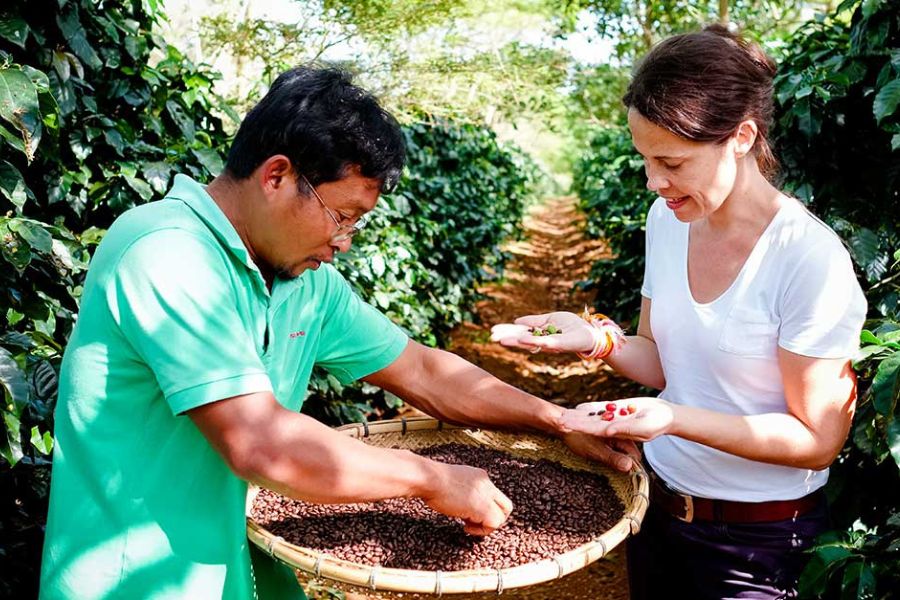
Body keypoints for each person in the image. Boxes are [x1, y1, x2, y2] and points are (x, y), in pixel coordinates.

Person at [38, 66, 634, 600]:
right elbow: (261, 444)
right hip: (137, 580)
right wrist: (429, 478)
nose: (344, 241)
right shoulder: (166, 253)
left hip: (248, 567)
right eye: (342, 215)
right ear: (277, 176)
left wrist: (557, 422)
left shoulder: (303, 282)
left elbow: (423, 372)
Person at [491, 25, 866, 599]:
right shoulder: (668, 220)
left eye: (672, 162)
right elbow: (667, 366)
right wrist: (597, 341)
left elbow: (817, 438)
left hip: (758, 544)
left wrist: (672, 419)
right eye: (645, 160)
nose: (654, 182)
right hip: (658, 508)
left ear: (741, 137)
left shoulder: (807, 259)